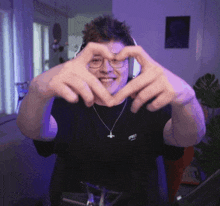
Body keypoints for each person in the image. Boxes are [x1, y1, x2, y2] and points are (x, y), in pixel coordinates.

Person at [16, 16, 206, 206]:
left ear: (131, 65)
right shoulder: (68, 100)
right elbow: (32, 130)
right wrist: (37, 90)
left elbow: (189, 138)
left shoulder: (149, 100)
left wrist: (187, 98)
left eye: (117, 60)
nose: (106, 69)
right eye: (96, 60)